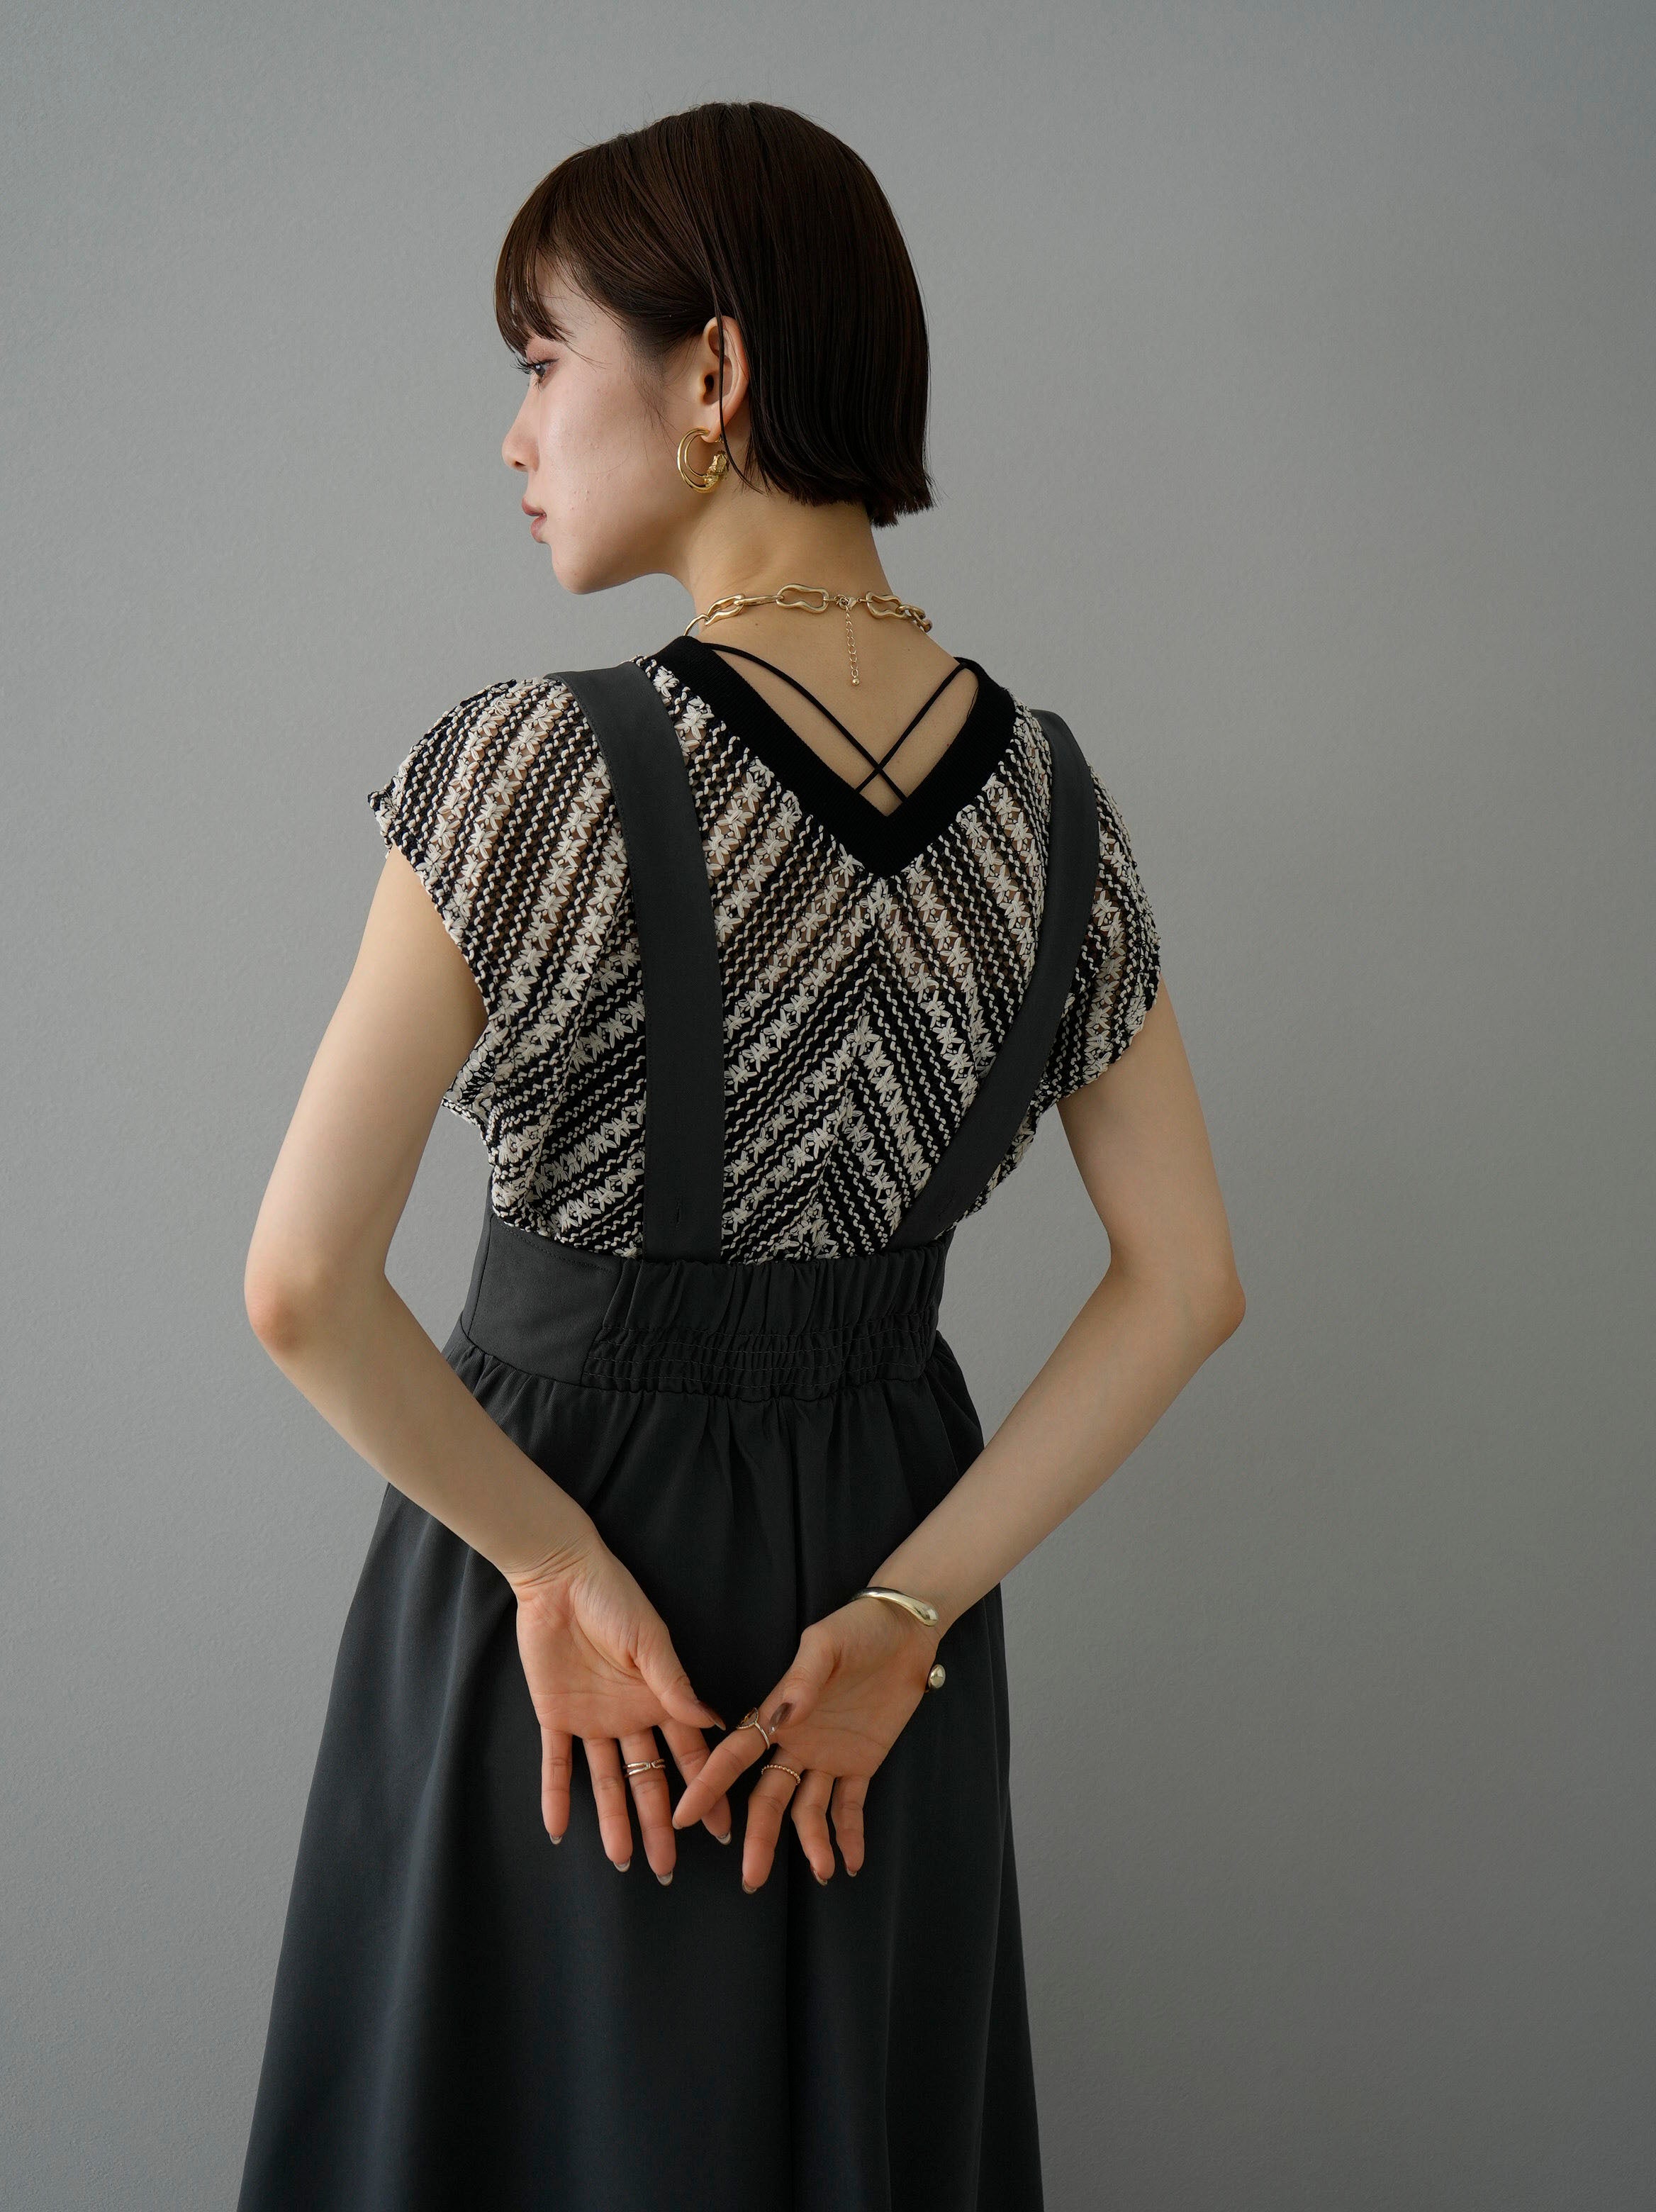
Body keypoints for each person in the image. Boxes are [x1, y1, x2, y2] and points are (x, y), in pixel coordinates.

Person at [235, 99, 1244, 2212]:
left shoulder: (532, 770)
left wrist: (542, 1561)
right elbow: (1187, 1287)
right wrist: (909, 1605)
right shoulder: (1055, 808)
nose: (515, 437)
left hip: (573, 1592)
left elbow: (304, 1289)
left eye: (543, 362)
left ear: (712, 375)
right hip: (877, 1629)